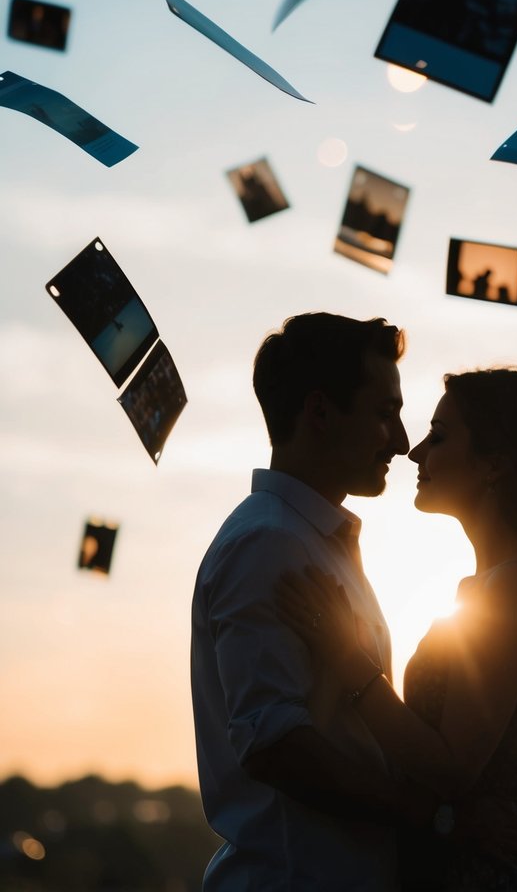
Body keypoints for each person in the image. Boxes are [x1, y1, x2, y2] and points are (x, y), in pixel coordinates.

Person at [279, 367, 517, 891]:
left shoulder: (514, 589)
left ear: (495, 464)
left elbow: (451, 767)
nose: (415, 453)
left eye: (438, 437)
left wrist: (346, 656)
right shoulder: (497, 585)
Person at [190, 312, 413, 890]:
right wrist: (430, 814)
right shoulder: (268, 542)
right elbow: (276, 747)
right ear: (319, 412)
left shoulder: (311, 540)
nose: (403, 441)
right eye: (385, 413)